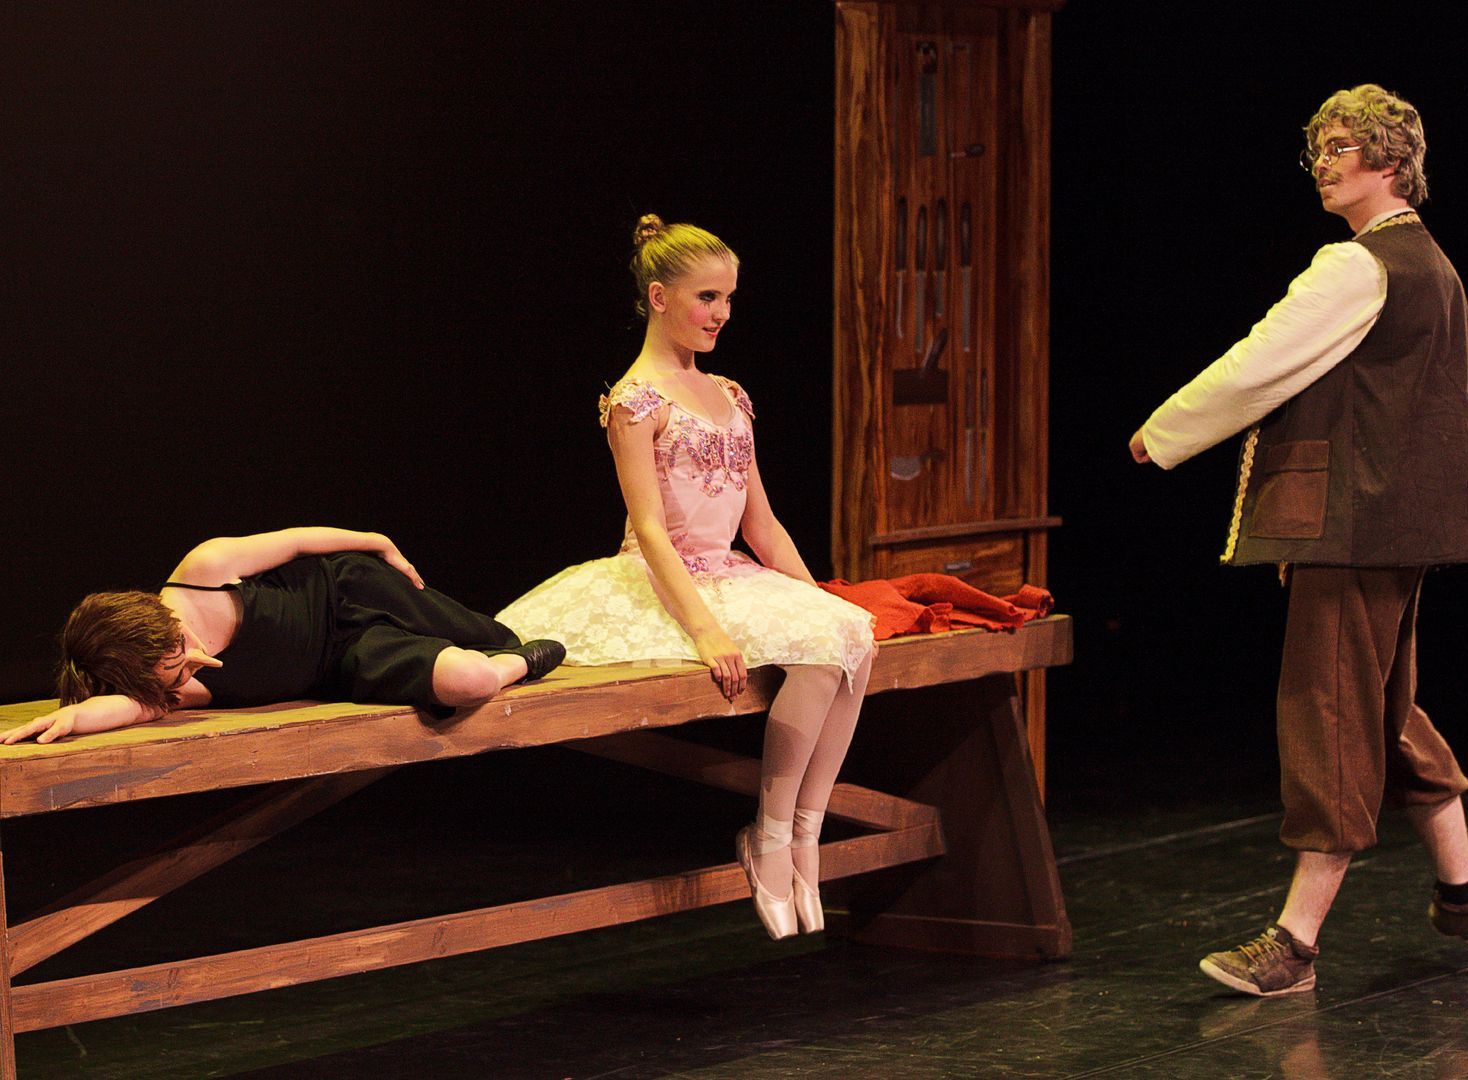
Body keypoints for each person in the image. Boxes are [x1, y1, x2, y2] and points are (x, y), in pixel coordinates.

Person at [1127, 84, 1468, 997]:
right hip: (1395, 526)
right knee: (1382, 707)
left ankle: (1294, 943)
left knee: (1326, 714)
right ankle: (1463, 896)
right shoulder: (1431, 262)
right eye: (1318, 150)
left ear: (1388, 160)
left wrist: (1163, 432)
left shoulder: (1357, 266)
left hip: (1353, 523)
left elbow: (1259, 362)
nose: (1322, 165)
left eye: (1339, 148)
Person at [495, 214, 876, 940]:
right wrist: (705, 632)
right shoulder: (636, 401)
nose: (721, 313)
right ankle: (769, 835)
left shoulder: (729, 394)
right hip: (664, 578)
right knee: (824, 653)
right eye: (707, 297)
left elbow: (761, 524)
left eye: (728, 298)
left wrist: (818, 596)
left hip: (729, 571)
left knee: (850, 635)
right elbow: (648, 529)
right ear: (659, 296)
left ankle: (804, 832)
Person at [2, 527, 564, 745]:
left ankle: (512, 647)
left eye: (181, 648)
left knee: (491, 633)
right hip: (350, 659)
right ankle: (522, 664)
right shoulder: (166, 687)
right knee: (473, 678)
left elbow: (297, 543)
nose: (195, 663)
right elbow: (128, 708)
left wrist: (377, 541)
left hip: (349, 592)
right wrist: (73, 717)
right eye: (178, 674)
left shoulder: (203, 569)